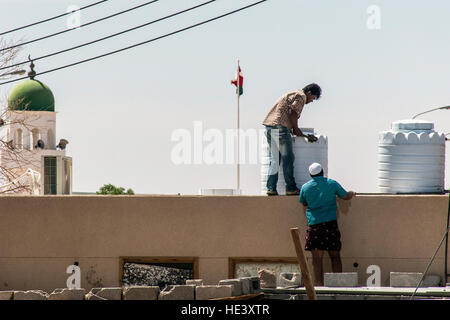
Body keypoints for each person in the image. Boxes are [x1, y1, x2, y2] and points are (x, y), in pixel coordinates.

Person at [299, 162, 356, 286]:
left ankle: (319, 285)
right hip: (330, 225)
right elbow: (345, 196)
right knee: (335, 255)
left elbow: (303, 202)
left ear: (310, 174)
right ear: (323, 172)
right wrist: (351, 193)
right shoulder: (332, 183)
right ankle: (338, 284)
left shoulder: (305, 187)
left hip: (314, 226)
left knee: (317, 259)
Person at [262, 83, 321, 196]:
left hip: (270, 127)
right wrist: (296, 129)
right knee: (288, 158)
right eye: (313, 98)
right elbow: (293, 113)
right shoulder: (301, 96)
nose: (311, 101)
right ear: (309, 93)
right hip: (280, 128)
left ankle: (271, 188)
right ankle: (290, 188)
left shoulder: (293, 94)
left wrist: (293, 129)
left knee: (275, 160)